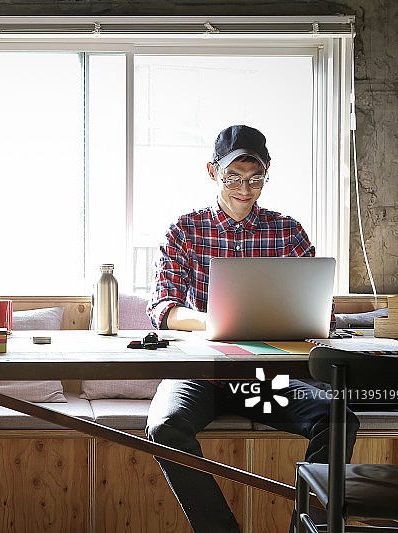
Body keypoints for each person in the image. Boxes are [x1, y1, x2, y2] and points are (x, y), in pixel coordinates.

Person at [145, 125, 359, 532]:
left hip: (263, 381)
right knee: (164, 426)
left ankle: (305, 528)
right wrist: (219, 324)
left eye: (255, 178)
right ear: (213, 172)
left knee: (340, 419)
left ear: (267, 173)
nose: (245, 188)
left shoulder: (287, 231)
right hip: (201, 375)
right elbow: (161, 309)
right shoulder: (184, 229)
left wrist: (307, 325)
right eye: (234, 177)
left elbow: (321, 312)